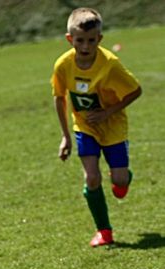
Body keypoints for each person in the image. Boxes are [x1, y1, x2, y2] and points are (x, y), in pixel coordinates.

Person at [51, 7, 142, 247]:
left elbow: (135, 91)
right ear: (70, 39)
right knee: (92, 178)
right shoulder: (63, 65)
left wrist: (107, 113)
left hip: (113, 127)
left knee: (120, 181)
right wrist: (65, 136)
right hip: (85, 127)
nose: (85, 46)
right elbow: (59, 98)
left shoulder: (110, 65)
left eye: (91, 40)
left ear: (99, 39)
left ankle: (122, 177)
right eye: (80, 40)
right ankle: (104, 231)